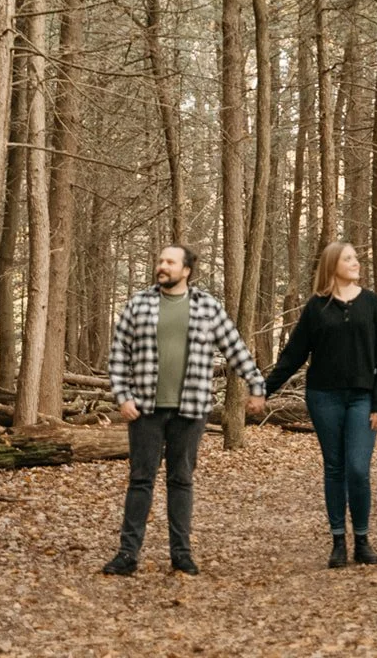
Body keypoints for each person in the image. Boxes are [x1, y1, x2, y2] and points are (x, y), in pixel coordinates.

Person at [102, 243, 267, 577]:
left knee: (181, 480)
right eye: (160, 260)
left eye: (169, 262)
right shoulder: (138, 304)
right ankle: (127, 555)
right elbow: (118, 355)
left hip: (191, 409)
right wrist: (122, 396)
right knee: (140, 480)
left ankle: (181, 554)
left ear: (186, 270)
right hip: (145, 408)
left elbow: (235, 348)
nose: (161, 266)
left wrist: (257, 384)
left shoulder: (207, 307)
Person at [264, 240, 377, 568]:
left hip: (362, 399)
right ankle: (338, 542)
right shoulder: (316, 307)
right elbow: (294, 354)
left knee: (358, 469)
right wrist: (263, 390)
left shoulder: (373, 304)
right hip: (324, 398)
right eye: (348, 258)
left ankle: (362, 541)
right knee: (334, 468)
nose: (356, 263)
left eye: (356, 258)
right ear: (332, 264)